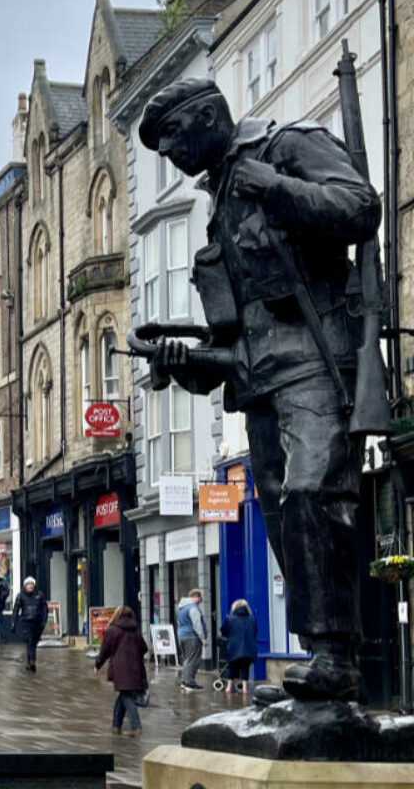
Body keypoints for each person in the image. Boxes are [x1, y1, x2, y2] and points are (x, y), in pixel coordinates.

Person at [140, 77, 382, 705]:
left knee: (313, 495)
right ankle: (319, 662)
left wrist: (276, 189)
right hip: (261, 381)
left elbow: (360, 205)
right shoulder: (218, 198)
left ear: (209, 115)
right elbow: (239, 332)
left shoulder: (287, 147)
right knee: (280, 515)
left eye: (174, 139)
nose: (171, 157)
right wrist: (181, 356)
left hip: (318, 361)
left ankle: (338, 659)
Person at [95, 605, 149, 737]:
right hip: (136, 668)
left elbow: (104, 650)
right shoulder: (135, 630)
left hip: (120, 668)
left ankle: (136, 726)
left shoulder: (113, 630)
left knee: (126, 695)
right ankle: (116, 726)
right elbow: (144, 648)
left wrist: (98, 664)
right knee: (123, 695)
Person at [222, 598, 260, 700]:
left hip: (233, 647)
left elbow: (224, 632)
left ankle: (229, 687)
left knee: (232, 666)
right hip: (249, 647)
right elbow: (255, 631)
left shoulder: (230, 618)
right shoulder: (252, 619)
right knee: (245, 667)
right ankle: (244, 688)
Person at [11, 577, 48, 672]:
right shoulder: (21, 595)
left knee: (34, 643)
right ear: (25, 586)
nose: (30, 586)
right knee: (29, 641)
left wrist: (44, 621)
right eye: (28, 584)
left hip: (37, 622)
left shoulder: (39, 595)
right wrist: (13, 623)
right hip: (26, 622)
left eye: (31, 584)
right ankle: (32, 661)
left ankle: (30, 661)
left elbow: (44, 609)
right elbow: (16, 610)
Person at [176, 589, 207, 691]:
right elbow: (197, 624)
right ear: (196, 597)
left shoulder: (180, 607)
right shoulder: (193, 608)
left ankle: (186, 681)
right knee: (193, 660)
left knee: (187, 660)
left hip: (181, 635)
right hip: (191, 637)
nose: (200, 601)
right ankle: (189, 683)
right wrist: (203, 638)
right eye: (200, 598)